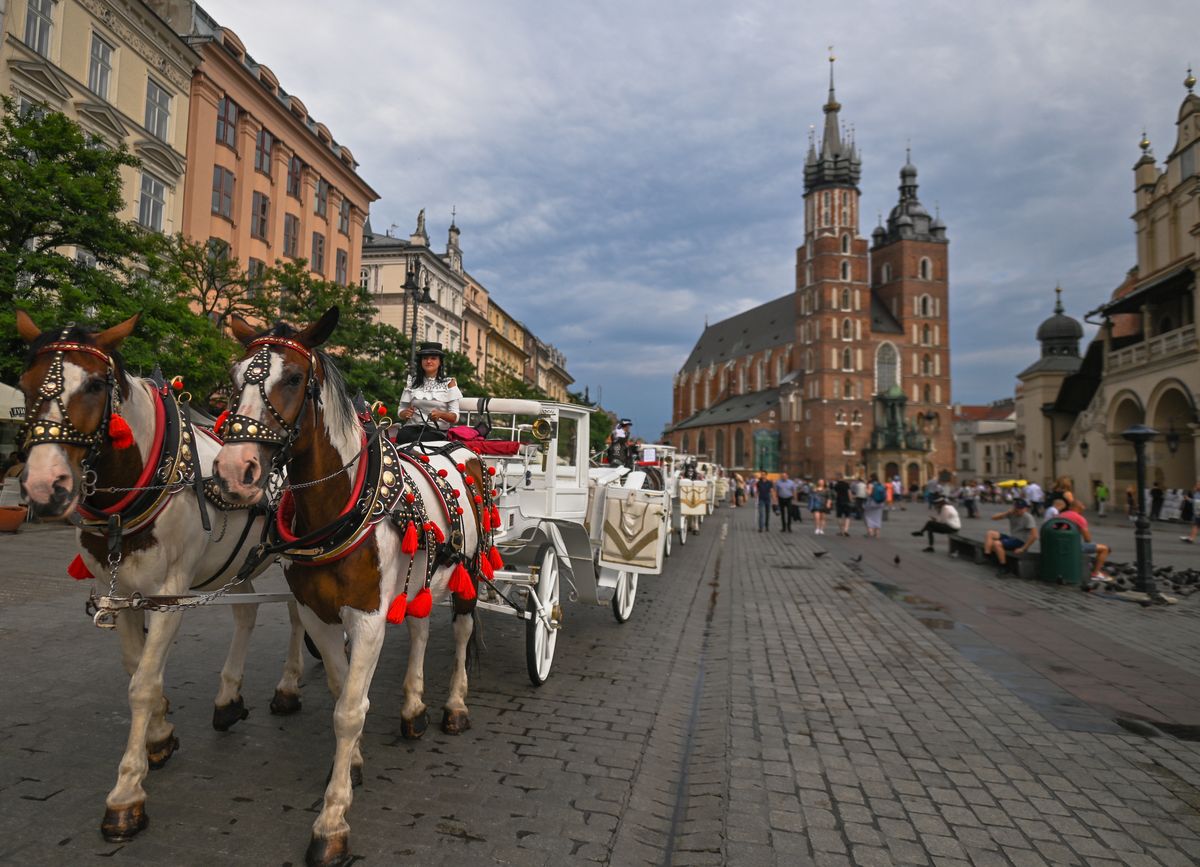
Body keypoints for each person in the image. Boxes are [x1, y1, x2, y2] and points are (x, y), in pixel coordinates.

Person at [396, 342, 462, 444]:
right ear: (421, 361)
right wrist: (404, 414)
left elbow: (455, 417)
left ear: (440, 362)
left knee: (420, 439)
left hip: (436, 430)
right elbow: (401, 410)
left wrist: (441, 415)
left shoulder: (449, 383)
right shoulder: (412, 382)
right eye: (425, 358)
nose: (428, 361)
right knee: (401, 435)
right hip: (412, 427)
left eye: (433, 358)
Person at [1053, 497, 1112, 584]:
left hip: (1056, 545)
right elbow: (1088, 539)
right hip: (1072, 547)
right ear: (1079, 507)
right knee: (1105, 549)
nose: (1084, 508)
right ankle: (1095, 574)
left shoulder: (1061, 515)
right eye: (1083, 506)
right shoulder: (1079, 518)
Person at [983, 498, 1038, 575]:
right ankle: (987, 555)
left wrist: (1023, 549)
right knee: (990, 533)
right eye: (1017, 508)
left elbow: (1034, 536)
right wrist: (1006, 513)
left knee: (996, 543)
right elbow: (993, 518)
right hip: (1012, 538)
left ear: (1026, 508)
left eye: (1021, 508)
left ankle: (1004, 566)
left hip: (1021, 541)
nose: (1019, 510)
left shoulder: (1028, 517)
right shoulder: (1012, 513)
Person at [862, 474, 886, 538]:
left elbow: (869, 493)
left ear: (871, 478)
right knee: (878, 517)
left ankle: (870, 532)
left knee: (867, 516)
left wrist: (866, 489)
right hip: (880, 503)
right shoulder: (880, 484)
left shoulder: (870, 485)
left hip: (872, 503)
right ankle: (877, 533)